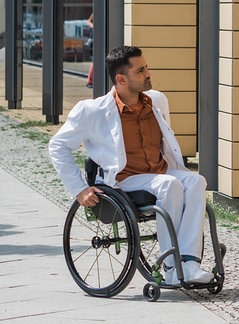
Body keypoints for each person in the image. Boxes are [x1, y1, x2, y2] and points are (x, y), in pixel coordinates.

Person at [49, 45, 213, 285]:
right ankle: (171, 267)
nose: (148, 74)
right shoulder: (92, 111)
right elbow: (57, 146)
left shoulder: (156, 100)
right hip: (124, 179)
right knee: (170, 185)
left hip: (158, 171)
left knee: (196, 180)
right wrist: (80, 189)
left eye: (146, 68)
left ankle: (189, 263)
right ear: (121, 79)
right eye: (140, 71)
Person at [86, 13, 94, 88]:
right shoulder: (96, 12)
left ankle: (90, 80)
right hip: (93, 40)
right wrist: (93, 26)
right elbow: (88, 21)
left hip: (94, 39)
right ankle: (89, 81)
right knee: (95, 61)